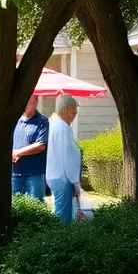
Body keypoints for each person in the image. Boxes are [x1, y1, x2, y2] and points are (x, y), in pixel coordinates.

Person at [46, 94, 83, 224]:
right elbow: (68, 157)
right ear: (66, 108)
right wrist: (75, 182)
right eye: (74, 109)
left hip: (57, 176)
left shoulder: (57, 125)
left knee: (63, 214)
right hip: (63, 177)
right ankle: (60, 243)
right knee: (63, 219)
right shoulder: (62, 128)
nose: (75, 113)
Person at [11, 95, 49, 201]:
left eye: (28, 99)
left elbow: (40, 145)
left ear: (36, 100)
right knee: (14, 208)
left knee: (36, 205)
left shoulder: (43, 121)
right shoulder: (14, 120)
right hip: (15, 173)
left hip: (35, 173)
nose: (24, 102)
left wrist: (17, 153)